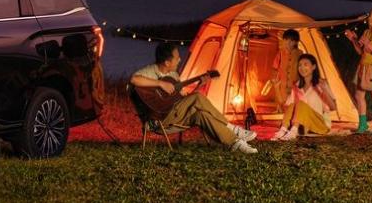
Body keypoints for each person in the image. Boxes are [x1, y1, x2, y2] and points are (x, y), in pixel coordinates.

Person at [130, 42, 259, 154]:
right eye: (177, 58)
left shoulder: (174, 75)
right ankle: (233, 128)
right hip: (160, 119)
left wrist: (200, 85)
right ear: (167, 62)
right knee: (197, 97)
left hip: (176, 113)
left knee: (201, 114)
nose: (180, 60)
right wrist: (160, 83)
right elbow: (134, 79)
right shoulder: (151, 70)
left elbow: (184, 100)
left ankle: (235, 142)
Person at [345, 6, 372, 134]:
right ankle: (363, 124)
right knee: (359, 95)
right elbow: (360, 51)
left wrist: (368, 44)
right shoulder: (366, 32)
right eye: (370, 15)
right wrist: (353, 39)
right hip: (363, 66)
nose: (370, 18)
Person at [271, 54, 337, 140]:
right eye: (300, 65)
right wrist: (276, 88)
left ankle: (293, 131)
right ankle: (283, 130)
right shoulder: (297, 86)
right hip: (304, 125)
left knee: (301, 104)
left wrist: (324, 89)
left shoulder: (321, 83)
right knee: (292, 105)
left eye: (306, 64)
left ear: (313, 67)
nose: (302, 68)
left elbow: (333, 107)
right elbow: (285, 107)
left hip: (320, 124)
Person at [271, 29, 304, 108]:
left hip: (295, 86)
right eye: (286, 40)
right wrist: (274, 80)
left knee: (294, 106)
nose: (288, 43)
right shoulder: (280, 53)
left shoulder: (300, 54)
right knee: (283, 104)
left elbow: (303, 70)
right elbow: (274, 68)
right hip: (282, 86)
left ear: (296, 42)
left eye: (291, 41)